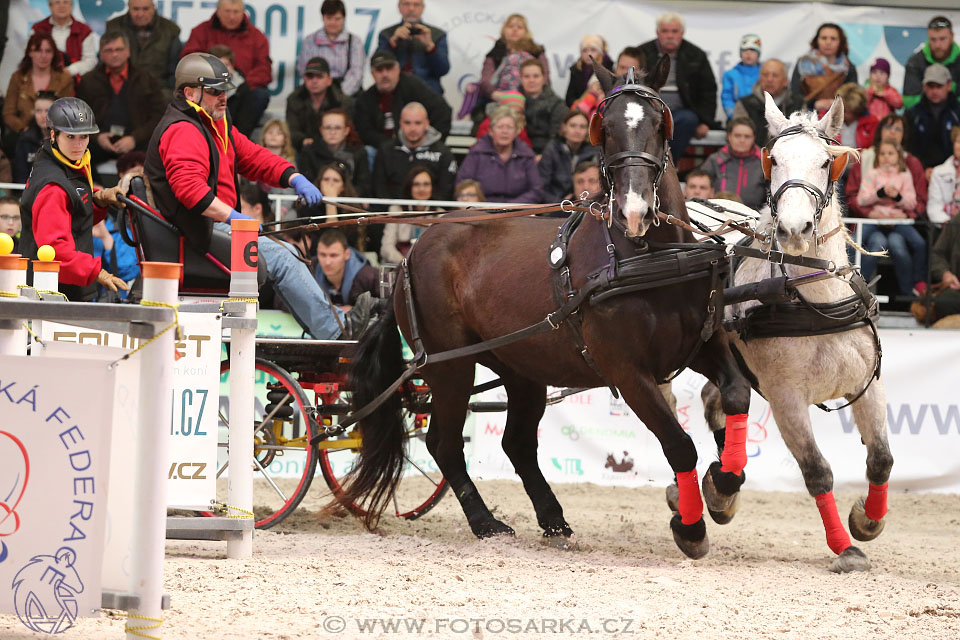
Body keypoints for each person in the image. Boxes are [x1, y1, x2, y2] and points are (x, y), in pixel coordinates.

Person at [144, 53, 375, 339]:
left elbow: (253, 156)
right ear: (190, 93)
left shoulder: (215, 123)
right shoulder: (183, 130)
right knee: (283, 258)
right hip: (194, 236)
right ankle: (335, 330)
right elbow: (191, 191)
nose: (223, 97)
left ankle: (336, 323)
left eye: (225, 90)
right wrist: (236, 218)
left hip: (210, 227)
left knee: (289, 253)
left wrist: (294, 176)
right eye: (215, 91)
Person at [18, 97, 128, 301]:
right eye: (70, 137)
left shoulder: (60, 160)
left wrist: (99, 200)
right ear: (53, 135)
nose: (79, 145)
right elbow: (54, 250)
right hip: (54, 293)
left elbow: (72, 218)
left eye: (84, 136)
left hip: (60, 287)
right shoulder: (53, 185)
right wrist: (96, 272)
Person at [181, 0, 272, 136]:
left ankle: (237, 141)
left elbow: (264, 70)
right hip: (206, 87)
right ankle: (199, 137)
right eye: (227, 11)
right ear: (218, 11)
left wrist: (241, 86)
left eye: (236, 12)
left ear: (243, 13)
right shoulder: (201, 32)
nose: (232, 16)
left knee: (259, 95)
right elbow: (189, 61)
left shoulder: (257, 37)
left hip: (242, 92)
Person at [637, 12, 717, 162]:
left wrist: (706, 122)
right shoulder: (642, 53)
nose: (670, 36)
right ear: (657, 33)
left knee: (689, 120)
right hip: (648, 110)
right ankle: (645, 163)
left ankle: (667, 162)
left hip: (681, 114)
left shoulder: (696, 55)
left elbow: (708, 91)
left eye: (674, 31)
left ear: (682, 33)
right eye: (665, 31)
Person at [76, 31, 165, 162]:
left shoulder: (147, 80)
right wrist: (97, 137)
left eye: (119, 49)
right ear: (100, 54)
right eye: (108, 50)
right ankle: (94, 183)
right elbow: (79, 117)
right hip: (96, 145)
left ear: (128, 51)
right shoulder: (88, 81)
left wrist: (134, 138)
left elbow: (159, 116)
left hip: (138, 144)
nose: (114, 54)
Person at [856, 140, 926, 296]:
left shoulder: (904, 175)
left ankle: (917, 283)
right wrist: (879, 193)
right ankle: (855, 284)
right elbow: (862, 199)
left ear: (898, 156)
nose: (886, 157)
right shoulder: (872, 174)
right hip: (876, 220)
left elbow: (911, 203)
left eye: (890, 153)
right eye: (882, 154)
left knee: (920, 243)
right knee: (854, 240)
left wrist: (898, 196)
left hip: (897, 221)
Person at [353, 50, 451, 149]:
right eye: (379, 70)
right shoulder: (365, 100)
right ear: (372, 73)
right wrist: (392, 146)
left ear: (398, 69)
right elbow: (365, 132)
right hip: (383, 149)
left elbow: (443, 111)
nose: (385, 74)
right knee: (368, 151)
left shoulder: (414, 87)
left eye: (389, 68)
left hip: (418, 146)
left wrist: (429, 142)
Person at [845, 114, 929, 220]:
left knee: (896, 238)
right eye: (888, 127)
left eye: (898, 129)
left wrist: (906, 215)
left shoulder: (912, 163)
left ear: (904, 135)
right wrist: (869, 213)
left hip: (900, 221)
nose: (892, 132)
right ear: (880, 131)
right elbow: (851, 196)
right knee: (877, 237)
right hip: (869, 220)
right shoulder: (863, 158)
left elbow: (921, 201)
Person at [471, 13, 550, 125]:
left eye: (519, 27)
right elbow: (485, 80)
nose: (515, 30)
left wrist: (527, 96)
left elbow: (545, 78)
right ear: (504, 30)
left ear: (526, 32)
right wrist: (495, 94)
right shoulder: (494, 53)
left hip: (530, 98)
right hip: (499, 98)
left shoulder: (537, 52)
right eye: (511, 26)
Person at [372, 101, 457, 200]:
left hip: (432, 212)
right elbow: (378, 189)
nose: (412, 128)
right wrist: (394, 209)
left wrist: (430, 211)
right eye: (407, 123)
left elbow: (446, 192)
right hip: (392, 212)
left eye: (418, 123)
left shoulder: (443, 153)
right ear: (400, 124)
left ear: (427, 124)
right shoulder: (385, 150)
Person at [456, 105, 541, 203]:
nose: (504, 131)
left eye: (509, 127)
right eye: (500, 127)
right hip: (482, 210)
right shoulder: (476, 153)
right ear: (491, 131)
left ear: (516, 132)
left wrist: (510, 207)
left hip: (517, 211)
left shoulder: (526, 155)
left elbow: (536, 190)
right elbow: (462, 186)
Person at [3, 34, 74, 145]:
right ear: (30, 53)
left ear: (54, 54)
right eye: (38, 51)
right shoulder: (18, 77)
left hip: (56, 137)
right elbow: (8, 113)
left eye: (48, 51)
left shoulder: (65, 79)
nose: (43, 56)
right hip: (23, 135)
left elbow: (68, 114)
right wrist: (22, 128)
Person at [92, 151, 143, 300]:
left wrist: (105, 237)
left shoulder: (118, 229)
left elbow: (128, 272)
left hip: (109, 304)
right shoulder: (68, 230)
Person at [105, 0, 182, 93]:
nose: (140, 14)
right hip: (120, 89)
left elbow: (175, 72)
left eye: (145, 9)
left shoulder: (171, 30)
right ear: (128, 8)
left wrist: (170, 95)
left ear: (153, 8)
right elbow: (104, 64)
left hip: (158, 92)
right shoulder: (114, 27)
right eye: (136, 9)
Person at [376, 0, 449, 95]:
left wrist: (430, 47)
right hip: (394, 90)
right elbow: (377, 66)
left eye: (416, 4)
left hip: (427, 91)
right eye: (406, 4)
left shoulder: (437, 34)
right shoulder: (387, 34)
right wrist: (392, 44)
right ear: (399, 7)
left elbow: (443, 70)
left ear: (423, 7)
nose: (411, 9)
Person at [296, 108, 372, 197]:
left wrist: (341, 196)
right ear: (321, 130)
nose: (332, 132)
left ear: (346, 131)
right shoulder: (308, 152)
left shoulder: (359, 153)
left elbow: (363, 186)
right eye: (328, 128)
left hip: (348, 203)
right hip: (317, 202)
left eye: (338, 128)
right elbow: (307, 184)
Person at [298, 0, 365, 96]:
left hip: (344, 92)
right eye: (329, 18)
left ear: (344, 19)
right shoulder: (309, 41)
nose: (333, 23)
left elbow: (356, 74)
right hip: (316, 91)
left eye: (337, 19)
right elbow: (303, 70)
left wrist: (340, 96)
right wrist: (319, 92)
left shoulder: (355, 41)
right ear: (323, 18)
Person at [732, 59, 803, 147]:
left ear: (785, 81)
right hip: (753, 158)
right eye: (765, 75)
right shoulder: (745, 104)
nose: (769, 79)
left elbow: (802, 138)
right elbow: (739, 138)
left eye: (775, 75)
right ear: (759, 78)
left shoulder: (798, 104)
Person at [699, 117, 766, 209]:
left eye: (747, 136)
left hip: (754, 217)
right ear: (729, 136)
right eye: (737, 135)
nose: (742, 140)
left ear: (754, 138)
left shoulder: (763, 163)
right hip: (717, 215)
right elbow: (700, 187)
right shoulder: (714, 160)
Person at [286, 56, 349, 152]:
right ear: (304, 79)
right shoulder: (294, 99)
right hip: (303, 148)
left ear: (329, 80)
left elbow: (347, 131)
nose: (314, 81)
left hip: (334, 148)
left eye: (319, 76)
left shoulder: (341, 100)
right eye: (310, 76)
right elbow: (292, 130)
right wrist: (302, 140)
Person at [791, 23, 857, 113]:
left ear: (840, 42)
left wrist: (835, 103)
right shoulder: (803, 64)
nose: (828, 42)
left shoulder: (848, 67)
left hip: (838, 116)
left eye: (833, 38)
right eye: (824, 38)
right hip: (806, 116)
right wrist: (813, 104)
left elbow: (853, 96)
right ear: (817, 40)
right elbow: (794, 93)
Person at [905, 64, 960, 172]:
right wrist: (922, 170)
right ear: (924, 86)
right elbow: (909, 149)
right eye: (930, 86)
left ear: (949, 85)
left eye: (939, 86)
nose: (934, 91)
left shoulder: (958, 113)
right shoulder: (912, 114)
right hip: (920, 172)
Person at [538, 108, 597, 202]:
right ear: (564, 127)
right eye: (573, 126)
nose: (577, 131)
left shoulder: (593, 152)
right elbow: (541, 188)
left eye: (582, 127)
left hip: (584, 203)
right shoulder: (552, 150)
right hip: (555, 205)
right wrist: (560, 203)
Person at [903, 16, 960, 110]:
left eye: (942, 39)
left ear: (952, 36)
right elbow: (909, 101)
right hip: (922, 121)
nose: (938, 45)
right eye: (933, 39)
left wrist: (951, 88)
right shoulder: (915, 62)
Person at [382, 165, 435, 263]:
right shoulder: (396, 211)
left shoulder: (440, 215)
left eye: (426, 184)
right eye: (416, 184)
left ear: (432, 188)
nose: (421, 189)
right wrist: (405, 264)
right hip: (399, 266)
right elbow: (386, 247)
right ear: (409, 187)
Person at [31, 0, 98, 78]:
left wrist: (69, 71)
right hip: (41, 77)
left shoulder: (84, 31)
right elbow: (30, 56)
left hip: (75, 80)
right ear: (50, 7)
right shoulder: (37, 29)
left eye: (65, 2)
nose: (62, 6)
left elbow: (90, 60)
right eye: (57, 2)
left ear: (72, 6)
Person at [314, 229, 379, 307]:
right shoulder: (310, 271)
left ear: (347, 254)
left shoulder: (368, 277)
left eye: (334, 255)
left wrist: (355, 310)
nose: (327, 262)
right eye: (322, 255)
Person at [520, 59, 566, 155]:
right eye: (526, 76)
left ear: (544, 78)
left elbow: (556, 137)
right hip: (519, 153)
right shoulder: (513, 102)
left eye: (536, 76)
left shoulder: (557, 104)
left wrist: (543, 156)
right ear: (520, 79)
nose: (531, 80)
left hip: (548, 153)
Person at [13, 90, 56, 183]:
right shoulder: (26, 139)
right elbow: (20, 176)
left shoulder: (67, 138)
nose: (43, 116)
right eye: (38, 111)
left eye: (48, 111)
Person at [721, 34, 762, 119]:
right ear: (740, 53)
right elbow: (727, 98)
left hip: (761, 117)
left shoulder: (764, 74)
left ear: (758, 54)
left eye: (753, 50)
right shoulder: (730, 75)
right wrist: (734, 116)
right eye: (744, 50)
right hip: (737, 118)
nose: (748, 53)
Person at [565, 35, 613, 107]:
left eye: (593, 50)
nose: (588, 54)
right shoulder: (576, 70)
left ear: (600, 52)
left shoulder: (608, 69)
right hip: (581, 110)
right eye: (585, 50)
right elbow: (569, 98)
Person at [928, 215, 960, 319]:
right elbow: (937, 255)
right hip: (957, 288)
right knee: (945, 301)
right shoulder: (957, 221)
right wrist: (945, 274)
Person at [927, 127, 960, 223]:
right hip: (947, 228)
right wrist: (950, 226)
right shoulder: (938, 172)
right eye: (958, 142)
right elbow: (934, 208)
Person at [836, 83, 879, 150]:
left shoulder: (871, 122)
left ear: (857, 110)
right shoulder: (828, 119)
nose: (842, 114)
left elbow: (873, 149)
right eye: (840, 109)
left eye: (847, 111)